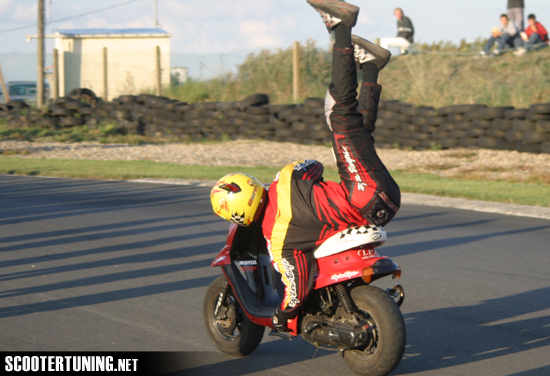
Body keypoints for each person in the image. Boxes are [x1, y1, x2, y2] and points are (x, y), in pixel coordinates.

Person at [210, 0, 401, 332]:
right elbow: (313, 166)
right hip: (363, 194)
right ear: (253, 186)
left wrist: (283, 316)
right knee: (345, 123)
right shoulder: (289, 175)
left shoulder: (277, 234)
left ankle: (342, 29)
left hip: (370, 200)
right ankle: (367, 66)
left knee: (346, 121)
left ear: (237, 215)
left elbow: (296, 286)